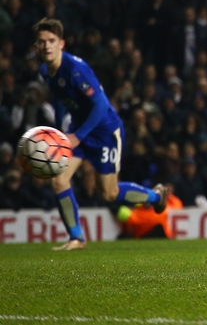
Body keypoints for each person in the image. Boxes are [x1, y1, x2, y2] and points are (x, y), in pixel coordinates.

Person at [32, 19, 168, 251]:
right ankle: (77, 238)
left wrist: (77, 136)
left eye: (51, 41)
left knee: (109, 193)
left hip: (104, 130)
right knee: (58, 179)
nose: (47, 46)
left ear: (61, 44)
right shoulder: (45, 71)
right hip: (78, 131)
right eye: (42, 42)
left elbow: (101, 105)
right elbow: (61, 99)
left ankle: (156, 196)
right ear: (36, 46)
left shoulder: (76, 69)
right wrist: (60, 131)